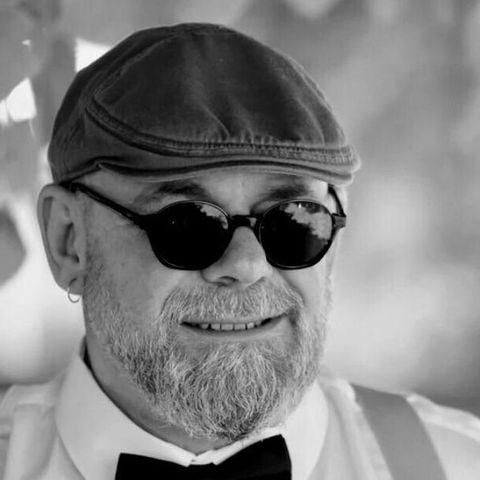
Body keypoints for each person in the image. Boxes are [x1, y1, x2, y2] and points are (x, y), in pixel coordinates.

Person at [1, 23, 479, 480]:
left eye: (293, 221)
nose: (247, 265)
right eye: (187, 224)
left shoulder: (460, 465)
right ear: (69, 241)